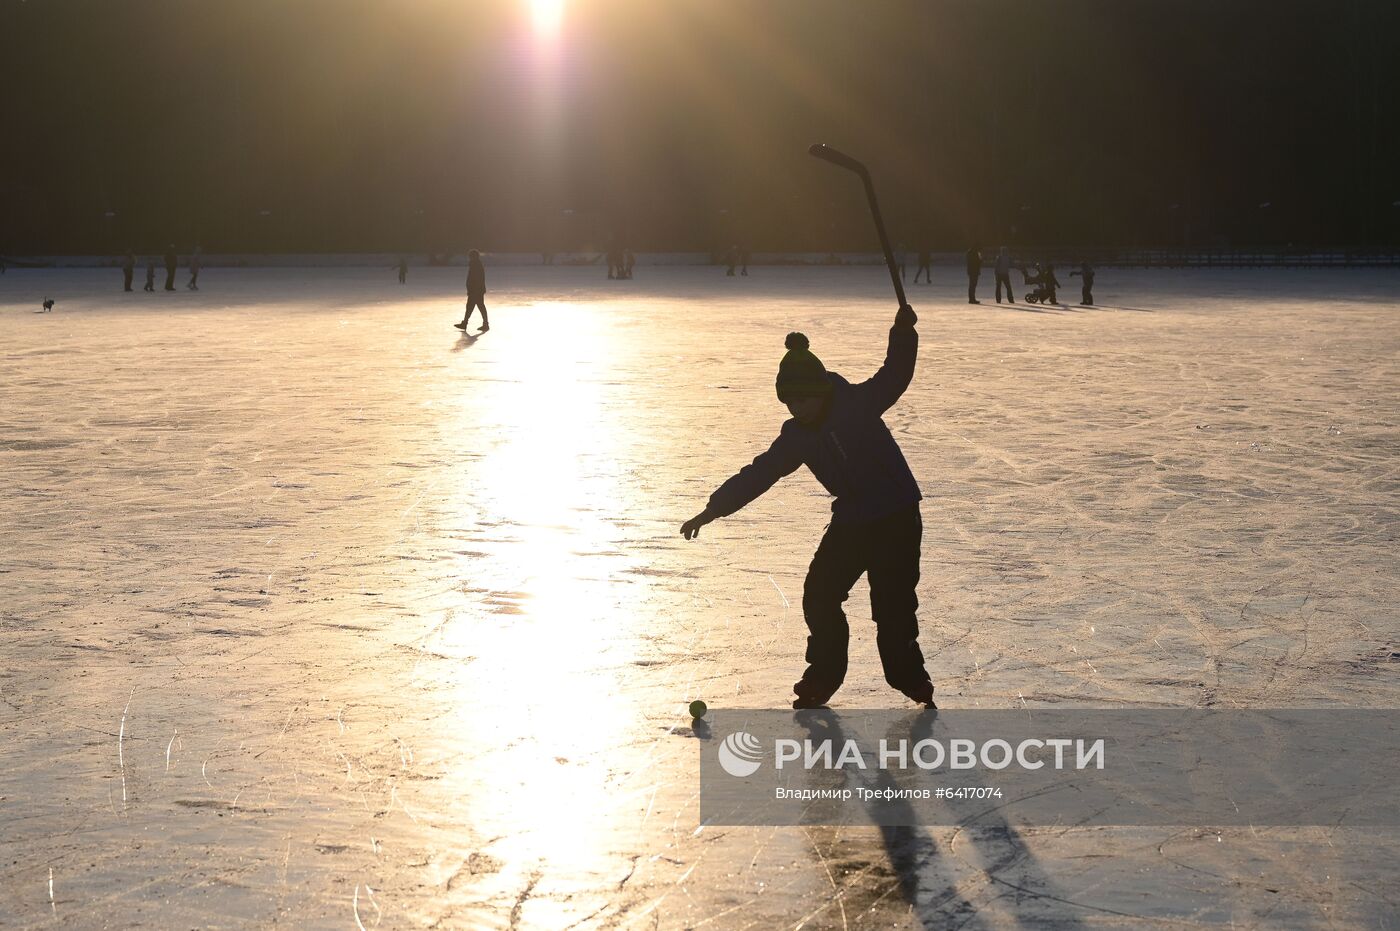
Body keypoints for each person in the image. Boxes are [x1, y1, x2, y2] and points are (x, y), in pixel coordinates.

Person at [679, 304, 936, 710]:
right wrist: (713, 509)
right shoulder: (798, 436)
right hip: (853, 519)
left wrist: (903, 332)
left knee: (892, 607)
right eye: (788, 401)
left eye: (801, 399)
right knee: (819, 594)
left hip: (895, 517)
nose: (796, 408)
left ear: (819, 391)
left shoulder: (857, 404)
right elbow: (760, 473)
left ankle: (909, 678)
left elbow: (895, 375)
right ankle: (822, 676)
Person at [455, 249, 489, 332]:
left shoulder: (475, 265)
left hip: (476, 290)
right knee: (472, 307)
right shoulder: (475, 264)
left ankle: (484, 324)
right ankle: (466, 323)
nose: (469, 258)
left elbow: (476, 279)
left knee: (477, 306)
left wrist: (472, 290)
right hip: (477, 290)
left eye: (470, 256)